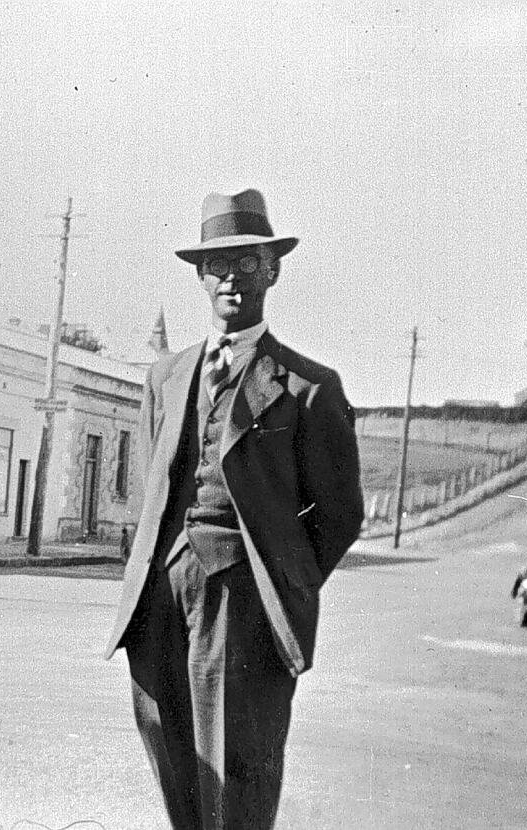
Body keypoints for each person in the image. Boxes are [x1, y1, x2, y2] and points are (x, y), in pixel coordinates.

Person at [104, 189, 364, 829]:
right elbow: (154, 484)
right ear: (199, 276)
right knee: (169, 746)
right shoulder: (166, 376)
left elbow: (340, 513)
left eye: (247, 263)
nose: (231, 278)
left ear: (272, 270)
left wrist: (274, 575)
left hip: (242, 597)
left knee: (239, 766)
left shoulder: (308, 386)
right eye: (217, 265)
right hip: (162, 590)